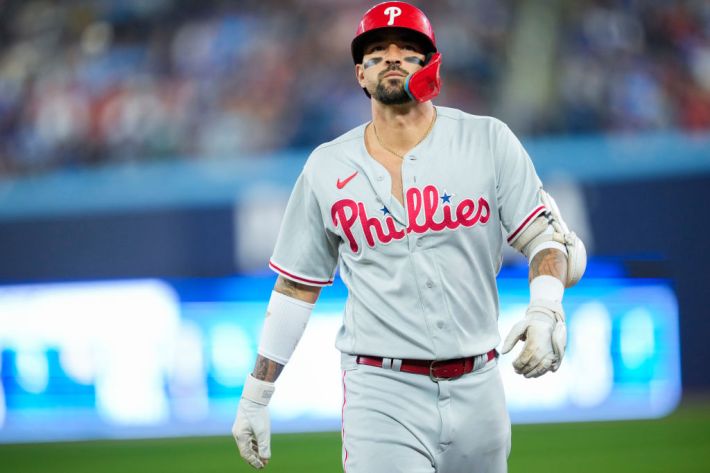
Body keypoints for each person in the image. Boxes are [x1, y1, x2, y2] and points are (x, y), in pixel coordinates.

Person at [232, 2, 586, 472]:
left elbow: (546, 238)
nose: (392, 58)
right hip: (380, 389)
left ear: (430, 62)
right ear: (360, 74)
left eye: (407, 49)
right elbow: (297, 287)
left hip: (480, 383)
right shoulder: (327, 165)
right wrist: (257, 393)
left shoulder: (487, 139)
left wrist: (546, 311)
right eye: (376, 51)